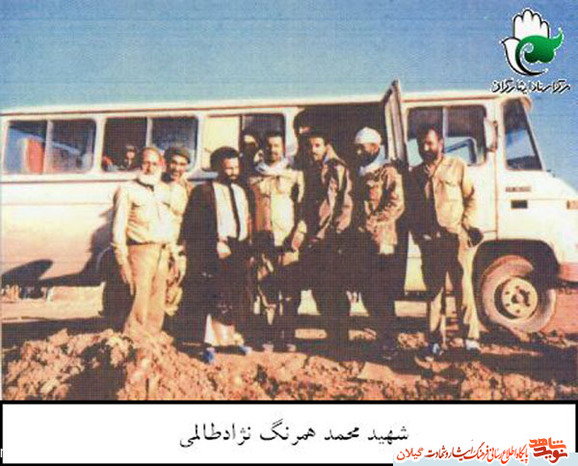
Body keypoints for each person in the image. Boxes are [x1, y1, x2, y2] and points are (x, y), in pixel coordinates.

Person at [408, 125, 483, 360]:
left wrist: (466, 227)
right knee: (434, 293)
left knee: (463, 288)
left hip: (456, 238)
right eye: (421, 144)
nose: (425, 148)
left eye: (430, 143)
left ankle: (470, 340)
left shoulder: (457, 166)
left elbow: (471, 198)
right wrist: (419, 237)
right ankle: (434, 343)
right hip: (431, 243)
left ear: (440, 143)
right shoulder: (415, 174)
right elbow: (412, 209)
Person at [180, 147, 254, 364]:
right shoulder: (204, 191)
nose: (233, 172)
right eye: (228, 168)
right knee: (213, 296)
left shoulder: (242, 190)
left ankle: (233, 339)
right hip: (215, 251)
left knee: (236, 296)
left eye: (236, 167)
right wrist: (213, 244)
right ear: (217, 168)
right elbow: (193, 226)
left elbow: (248, 219)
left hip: (239, 250)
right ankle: (209, 344)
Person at [111, 147, 178, 341]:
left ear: (161, 165)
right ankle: (133, 341)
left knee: (157, 301)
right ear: (139, 164)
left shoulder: (165, 190)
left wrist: (173, 253)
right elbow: (118, 226)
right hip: (140, 251)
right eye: (146, 163)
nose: (150, 168)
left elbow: (169, 223)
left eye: (154, 164)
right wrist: (121, 260)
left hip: (162, 251)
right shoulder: (127, 190)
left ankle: (152, 341)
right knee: (138, 300)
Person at [350, 127, 405, 360]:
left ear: (375, 147)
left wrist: (373, 222)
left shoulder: (388, 173)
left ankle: (390, 342)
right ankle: (381, 338)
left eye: (362, 148)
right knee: (369, 294)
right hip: (362, 243)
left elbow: (396, 204)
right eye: (356, 148)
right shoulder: (359, 173)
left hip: (382, 243)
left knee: (383, 295)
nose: (358, 152)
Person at [249, 130, 306, 352]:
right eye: (269, 145)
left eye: (277, 145)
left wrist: (299, 234)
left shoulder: (294, 175)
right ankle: (269, 336)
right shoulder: (254, 177)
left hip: (288, 241)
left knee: (290, 291)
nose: (273, 149)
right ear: (263, 149)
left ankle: (288, 336)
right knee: (266, 290)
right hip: (263, 241)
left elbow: (304, 207)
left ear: (283, 148)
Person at [301, 130, 353, 347]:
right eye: (309, 146)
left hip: (332, 239)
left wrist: (336, 232)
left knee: (335, 289)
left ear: (326, 146)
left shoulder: (338, 168)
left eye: (317, 145)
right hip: (315, 239)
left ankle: (341, 337)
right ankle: (332, 335)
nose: (313, 150)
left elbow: (346, 203)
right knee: (320, 288)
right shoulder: (310, 168)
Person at [161, 146, 193, 319]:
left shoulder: (188, 190)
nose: (177, 168)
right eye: (174, 163)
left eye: (182, 164)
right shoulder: (155, 185)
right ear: (165, 163)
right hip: (158, 243)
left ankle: (169, 322)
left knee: (176, 283)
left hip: (178, 245)